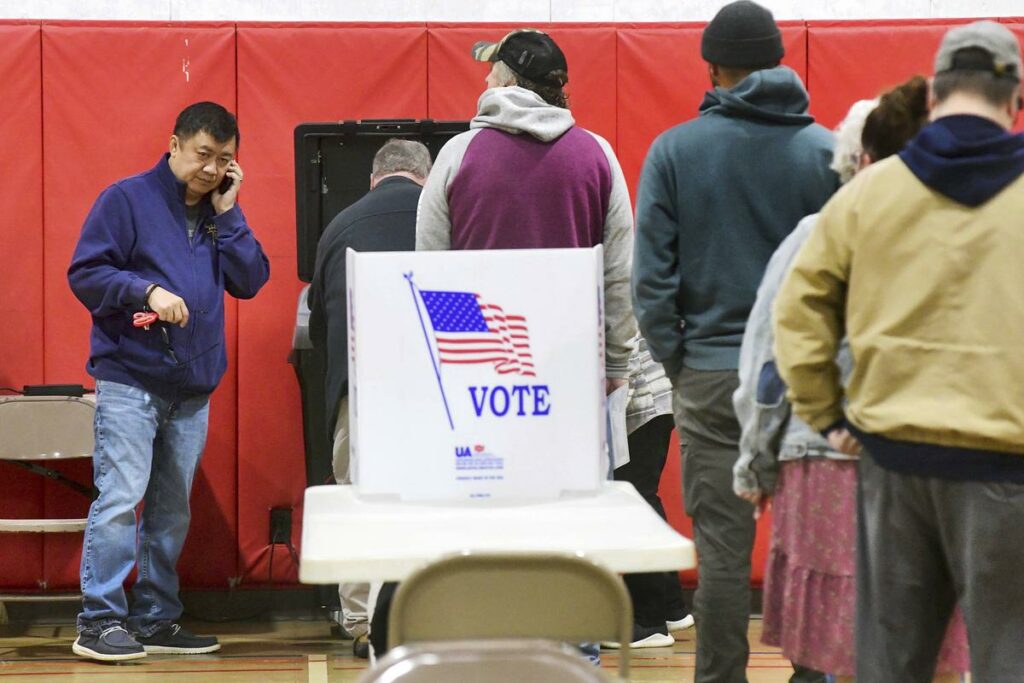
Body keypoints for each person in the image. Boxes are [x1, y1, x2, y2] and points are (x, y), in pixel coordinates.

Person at [774, 20, 1024, 682]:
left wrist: (827, 413)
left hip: (892, 459)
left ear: (935, 96)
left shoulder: (867, 193)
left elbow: (798, 311)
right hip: (1007, 468)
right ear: (1015, 100)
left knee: (889, 666)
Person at [733, 77, 968, 682]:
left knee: (852, 651)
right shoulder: (973, 232)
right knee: (939, 645)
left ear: (862, 160)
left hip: (829, 460)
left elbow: (772, 362)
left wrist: (757, 461)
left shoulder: (820, 232)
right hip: (945, 463)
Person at [631, 2, 838, 681]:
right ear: (780, 61)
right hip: (805, 379)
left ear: (713, 67)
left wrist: (682, 364)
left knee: (721, 550)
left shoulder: (674, 151)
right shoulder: (826, 152)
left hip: (713, 375)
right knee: (812, 547)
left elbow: (651, 285)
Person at [67, 101, 269, 662]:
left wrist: (230, 214)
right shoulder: (126, 199)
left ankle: (156, 619)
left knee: (170, 508)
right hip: (131, 378)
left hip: (192, 386)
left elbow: (251, 279)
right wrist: (146, 292)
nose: (209, 168)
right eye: (202, 154)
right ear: (175, 144)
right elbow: (86, 273)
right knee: (121, 496)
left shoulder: (217, 213)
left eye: (223, 159)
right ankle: (100, 620)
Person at [416, 28, 637, 394]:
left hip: (481, 367)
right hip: (572, 361)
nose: (485, 79)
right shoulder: (598, 154)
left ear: (507, 81)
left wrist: (455, 354)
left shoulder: (458, 154)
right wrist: (616, 362)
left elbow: (433, 267)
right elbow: (619, 271)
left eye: (491, 70)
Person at [307, 138, 432, 658]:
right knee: (429, 505)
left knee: (358, 503)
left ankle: (360, 623)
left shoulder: (338, 227)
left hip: (358, 390)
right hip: (432, 390)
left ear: (375, 177)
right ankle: (423, 615)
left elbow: (319, 324)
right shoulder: (443, 215)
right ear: (426, 176)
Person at [600, 337, 694, 650]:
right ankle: (669, 608)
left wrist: (616, 371)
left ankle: (648, 619)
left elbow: (622, 317)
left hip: (636, 390)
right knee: (641, 496)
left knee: (633, 500)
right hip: (650, 385)